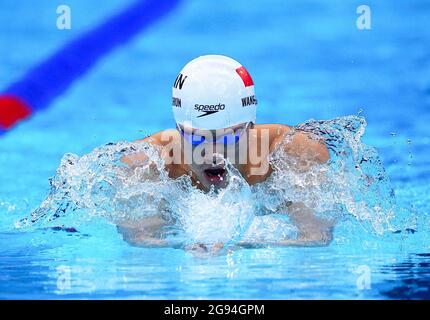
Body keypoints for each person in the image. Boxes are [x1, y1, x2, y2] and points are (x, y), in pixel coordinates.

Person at [119, 55, 333, 252]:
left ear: (250, 126)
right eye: (197, 138)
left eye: (228, 137)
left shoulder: (293, 153)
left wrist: (243, 246)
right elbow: (138, 240)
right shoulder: (149, 164)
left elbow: (316, 238)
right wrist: (183, 246)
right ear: (178, 129)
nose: (213, 153)